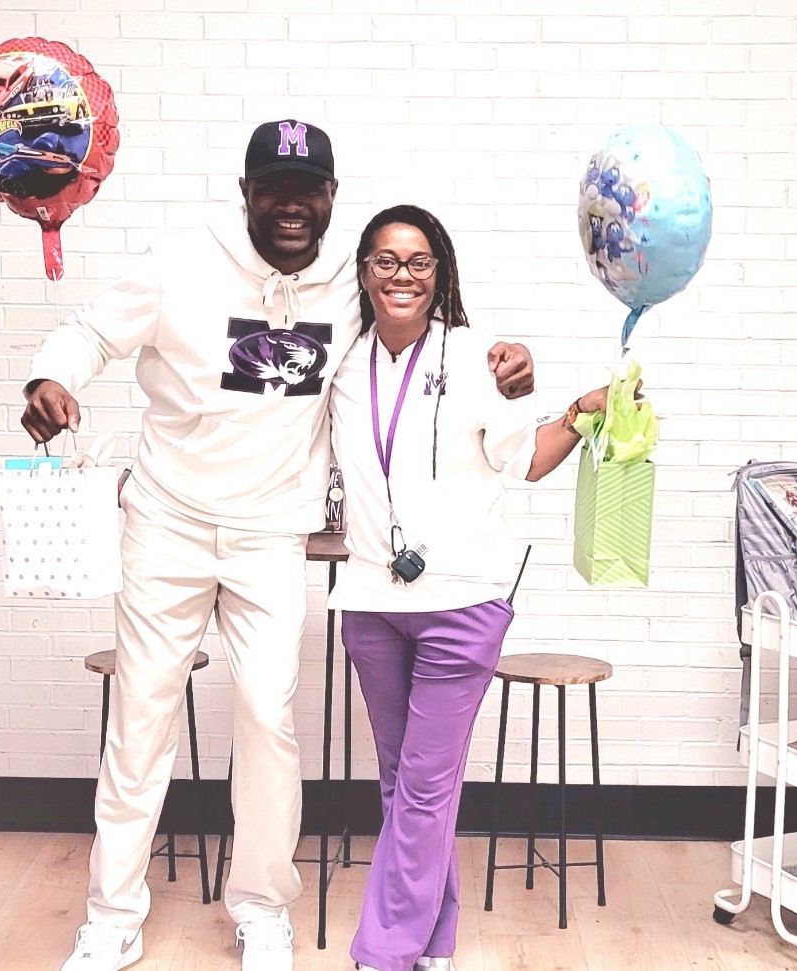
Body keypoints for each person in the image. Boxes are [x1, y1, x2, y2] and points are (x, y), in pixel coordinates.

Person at [19, 121, 534, 971]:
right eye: (274, 190)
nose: (292, 206)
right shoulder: (177, 262)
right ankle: (112, 916)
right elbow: (87, 332)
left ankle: (260, 906)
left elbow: (431, 332)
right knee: (141, 718)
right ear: (247, 192)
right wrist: (50, 377)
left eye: (310, 191)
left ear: (331, 198)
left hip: (268, 535)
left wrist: (509, 361)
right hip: (167, 521)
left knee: (266, 718)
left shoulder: (348, 278)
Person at [327, 205, 621, 971]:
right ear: (362, 271)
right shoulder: (339, 366)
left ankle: (381, 954)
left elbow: (521, 461)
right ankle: (434, 942)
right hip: (369, 601)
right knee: (404, 785)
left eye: (418, 261)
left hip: (460, 603)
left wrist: (571, 408)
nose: (402, 275)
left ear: (439, 274)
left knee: (422, 788)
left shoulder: (475, 358)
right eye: (386, 260)